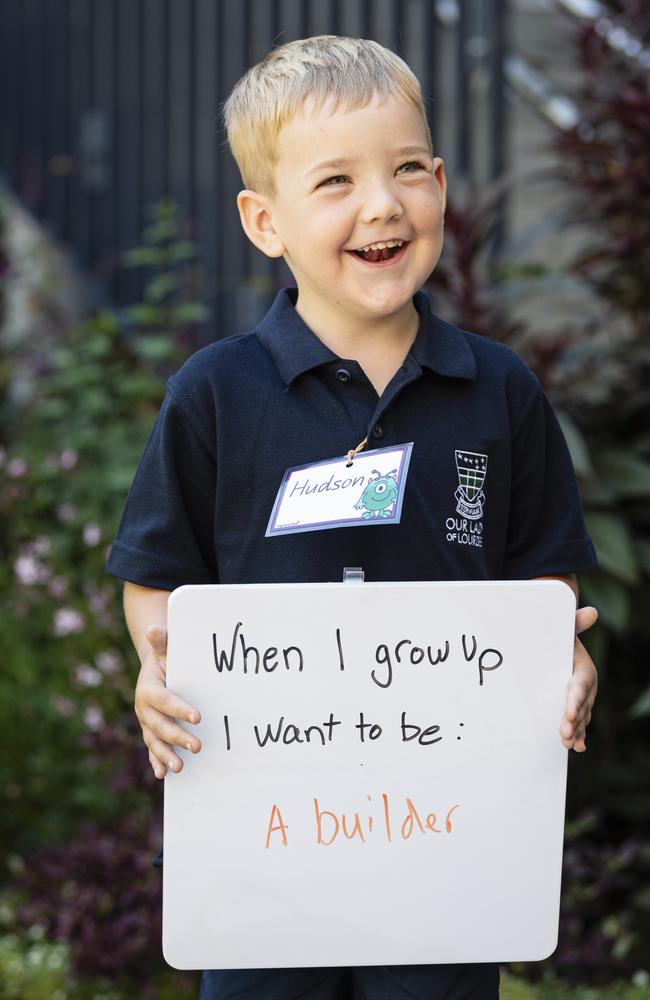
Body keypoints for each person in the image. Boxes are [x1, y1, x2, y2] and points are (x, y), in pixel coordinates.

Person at [107, 35, 599, 1000]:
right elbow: (157, 578)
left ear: (443, 185)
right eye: (335, 180)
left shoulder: (497, 389)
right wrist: (154, 670)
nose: (383, 204)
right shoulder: (213, 394)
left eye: (408, 168)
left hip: (444, 846)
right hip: (264, 842)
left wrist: (559, 653)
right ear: (264, 221)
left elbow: (546, 566)